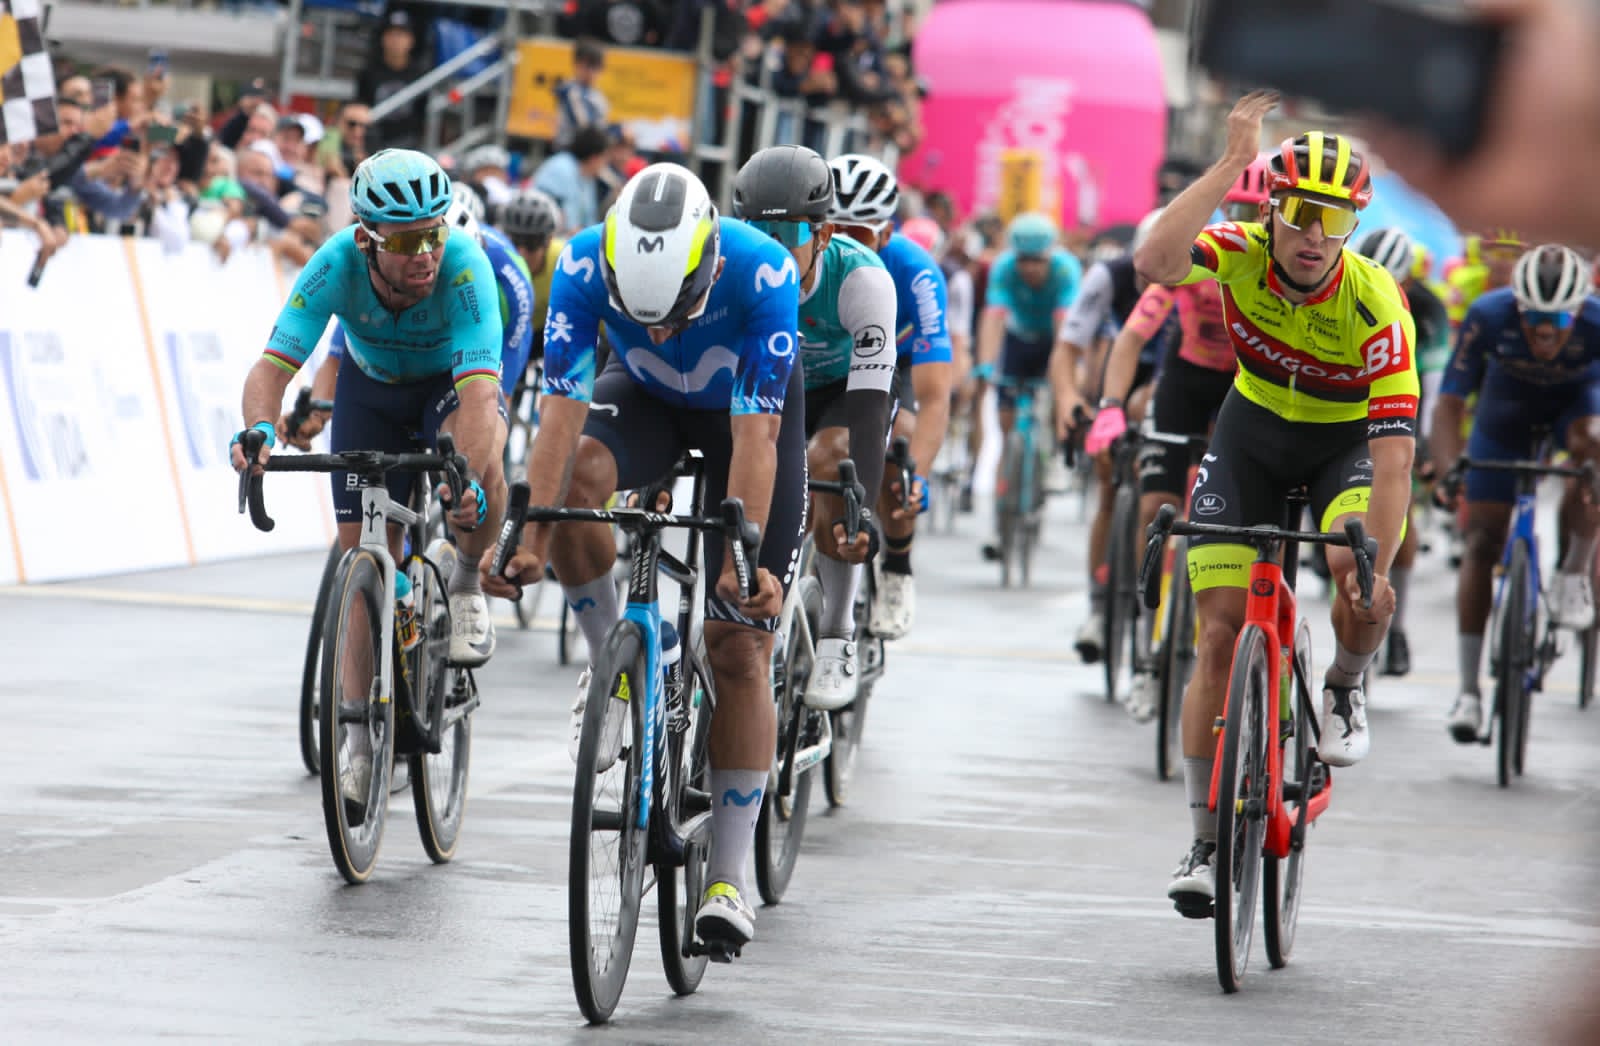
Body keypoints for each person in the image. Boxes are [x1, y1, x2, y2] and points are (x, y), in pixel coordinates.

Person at [482, 163, 805, 957]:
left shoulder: (765, 270)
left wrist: (745, 556)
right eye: (640, 314)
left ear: (708, 266)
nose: (658, 328)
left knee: (738, 646)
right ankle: (619, 664)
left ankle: (728, 877)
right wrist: (529, 537)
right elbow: (558, 415)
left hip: (748, 419)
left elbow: (757, 441)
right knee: (576, 486)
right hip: (650, 402)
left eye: (676, 312)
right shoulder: (584, 262)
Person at [1134, 92, 1417, 914]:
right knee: (1217, 635)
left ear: (1354, 225)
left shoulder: (1376, 304)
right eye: (1298, 214)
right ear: (1273, 211)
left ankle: (1343, 682)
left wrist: (1376, 571)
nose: (1313, 237)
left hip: (1346, 447)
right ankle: (1204, 838)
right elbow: (1155, 262)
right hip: (1250, 432)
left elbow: (1394, 461)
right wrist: (1227, 166)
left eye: (1334, 220)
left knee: (1349, 559)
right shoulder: (1242, 250)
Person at [230, 152, 508, 817]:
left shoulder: (466, 269)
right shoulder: (334, 263)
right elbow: (271, 370)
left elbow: (479, 403)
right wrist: (261, 433)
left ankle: (465, 579)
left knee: (484, 457)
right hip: (371, 392)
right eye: (409, 241)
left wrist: (465, 476)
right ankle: (357, 742)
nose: (427, 253)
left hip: (447, 389)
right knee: (363, 560)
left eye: (434, 233)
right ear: (367, 240)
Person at [732, 144, 896, 710]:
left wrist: (864, 511)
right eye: (757, 232)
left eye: (790, 236)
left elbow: (871, 411)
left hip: (846, 391)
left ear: (823, 236)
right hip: (775, 380)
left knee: (831, 460)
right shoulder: (728, 268)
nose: (773, 252)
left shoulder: (862, 280)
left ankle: (837, 633)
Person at [1431, 244, 1600, 740]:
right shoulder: (1488, 314)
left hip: (1578, 409)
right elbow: (1449, 404)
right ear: (1517, 307)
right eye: (1534, 319)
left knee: (1593, 448)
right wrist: (1447, 472)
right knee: (1482, 542)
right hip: (1504, 415)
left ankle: (1573, 573)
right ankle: (1468, 692)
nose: (1545, 332)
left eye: (1558, 320)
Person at [1085, 219, 1236, 721]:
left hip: (1243, 384)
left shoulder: (1265, 269)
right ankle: (1148, 637)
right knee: (1156, 507)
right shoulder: (1192, 261)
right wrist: (1110, 405)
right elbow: (1130, 339)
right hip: (1186, 381)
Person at [287, 182, 537, 438]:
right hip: (399, 372)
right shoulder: (379, 277)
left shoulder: (505, 280)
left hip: (483, 336)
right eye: (410, 248)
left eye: (439, 253)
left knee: (485, 423)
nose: (426, 265)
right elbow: (335, 358)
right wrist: (317, 416)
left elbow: (499, 374)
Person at [827, 152, 956, 640]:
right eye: (832, 229)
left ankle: (898, 567)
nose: (841, 244)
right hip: (823, 362)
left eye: (857, 235)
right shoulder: (805, 259)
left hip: (890, 361)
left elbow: (936, 395)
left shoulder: (915, 272)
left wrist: (917, 477)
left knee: (896, 449)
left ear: (885, 234)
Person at [1051, 208, 1168, 661]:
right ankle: (1099, 607)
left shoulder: (1202, 277)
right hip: (1125, 370)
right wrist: (1067, 401)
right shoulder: (1108, 276)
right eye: (1145, 267)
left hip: (1172, 376)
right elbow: (1068, 348)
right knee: (1107, 483)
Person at [1353, 226, 1452, 676]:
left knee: (1402, 504)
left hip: (1401, 402)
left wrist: (1427, 449)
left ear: (1407, 283)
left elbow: (1430, 395)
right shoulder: (1348, 284)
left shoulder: (1427, 310)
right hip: (1352, 398)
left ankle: (1397, 627)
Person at [975, 210, 1082, 562]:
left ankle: (1049, 460)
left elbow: (1064, 326)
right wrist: (986, 366)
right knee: (1007, 431)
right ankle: (998, 519)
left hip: (1053, 340)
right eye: (1024, 260)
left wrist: (1061, 378)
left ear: (1050, 255)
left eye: (1037, 261)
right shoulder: (1003, 269)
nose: (1030, 268)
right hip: (1018, 342)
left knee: (1058, 393)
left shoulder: (1066, 270)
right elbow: (994, 319)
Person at [532, 124, 610, 236]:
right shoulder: (560, 168)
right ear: (594, 158)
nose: (605, 164)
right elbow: (546, 215)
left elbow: (589, 222)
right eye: (604, 158)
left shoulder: (588, 179)